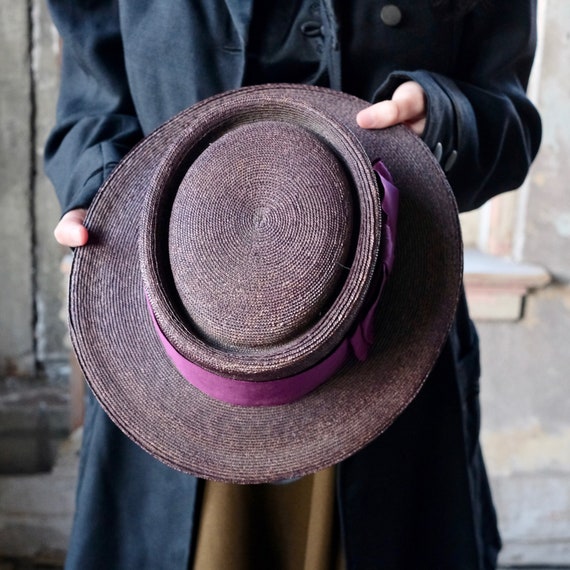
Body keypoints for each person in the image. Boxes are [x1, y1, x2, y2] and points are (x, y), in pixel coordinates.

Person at [45, 1, 541, 568]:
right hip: (172, 345)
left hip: (394, 345)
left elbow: (510, 122)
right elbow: (92, 104)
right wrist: (108, 199)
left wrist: (443, 118)